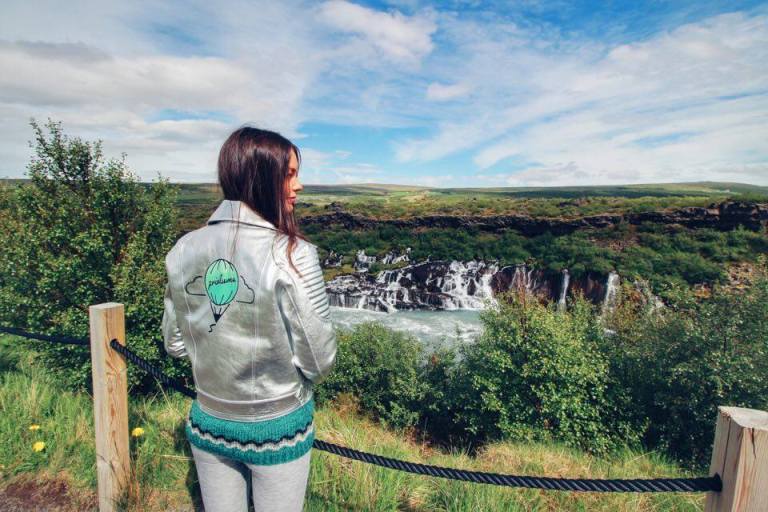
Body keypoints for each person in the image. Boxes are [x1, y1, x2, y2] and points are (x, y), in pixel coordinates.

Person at [161, 126, 338, 512]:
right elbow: (319, 360)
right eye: (289, 174)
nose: (299, 185)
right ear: (261, 177)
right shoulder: (293, 253)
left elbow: (175, 344)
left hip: (209, 420)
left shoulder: (183, 249)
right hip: (278, 428)